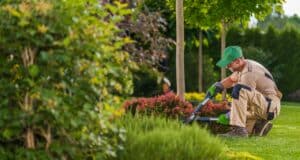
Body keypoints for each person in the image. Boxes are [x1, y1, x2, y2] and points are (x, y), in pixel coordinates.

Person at [207, 46, 282, 137]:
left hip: (269, 106)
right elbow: (231, 79)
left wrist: (229, 115)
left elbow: (244, 99)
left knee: (239, 89)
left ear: (238, 61)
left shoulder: (249, 74)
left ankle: (239, 131)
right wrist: (219, 85)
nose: (227, 67)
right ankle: (258, 126)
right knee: (248, 131)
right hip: (263, 105)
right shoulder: (244, 66)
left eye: (229, 65)